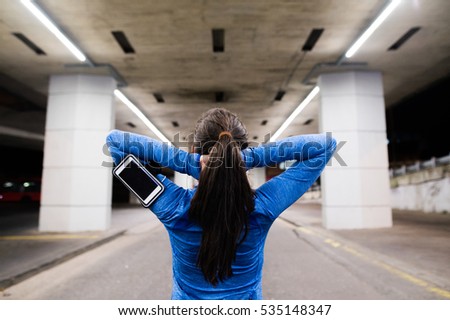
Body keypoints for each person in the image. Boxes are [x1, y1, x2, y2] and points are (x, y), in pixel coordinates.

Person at [106, 107, 336, 300]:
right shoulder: (263, 208)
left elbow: (115, 142)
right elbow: (325, 145)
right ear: (240, 151)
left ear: (195, 151)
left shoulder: (172, 207)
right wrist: (245, 159)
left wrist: (189, 163)